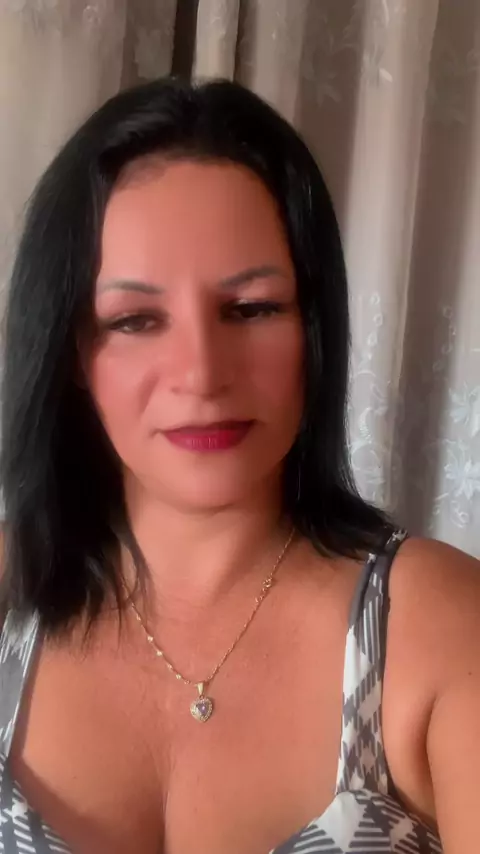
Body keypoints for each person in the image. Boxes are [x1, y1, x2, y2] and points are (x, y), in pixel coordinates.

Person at [0, 76, 477, 854]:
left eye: (251, 309)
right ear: (72, 352)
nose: (202, 373)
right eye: (135, 320)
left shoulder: (439, 625)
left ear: (313, 329)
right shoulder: (8, 590)